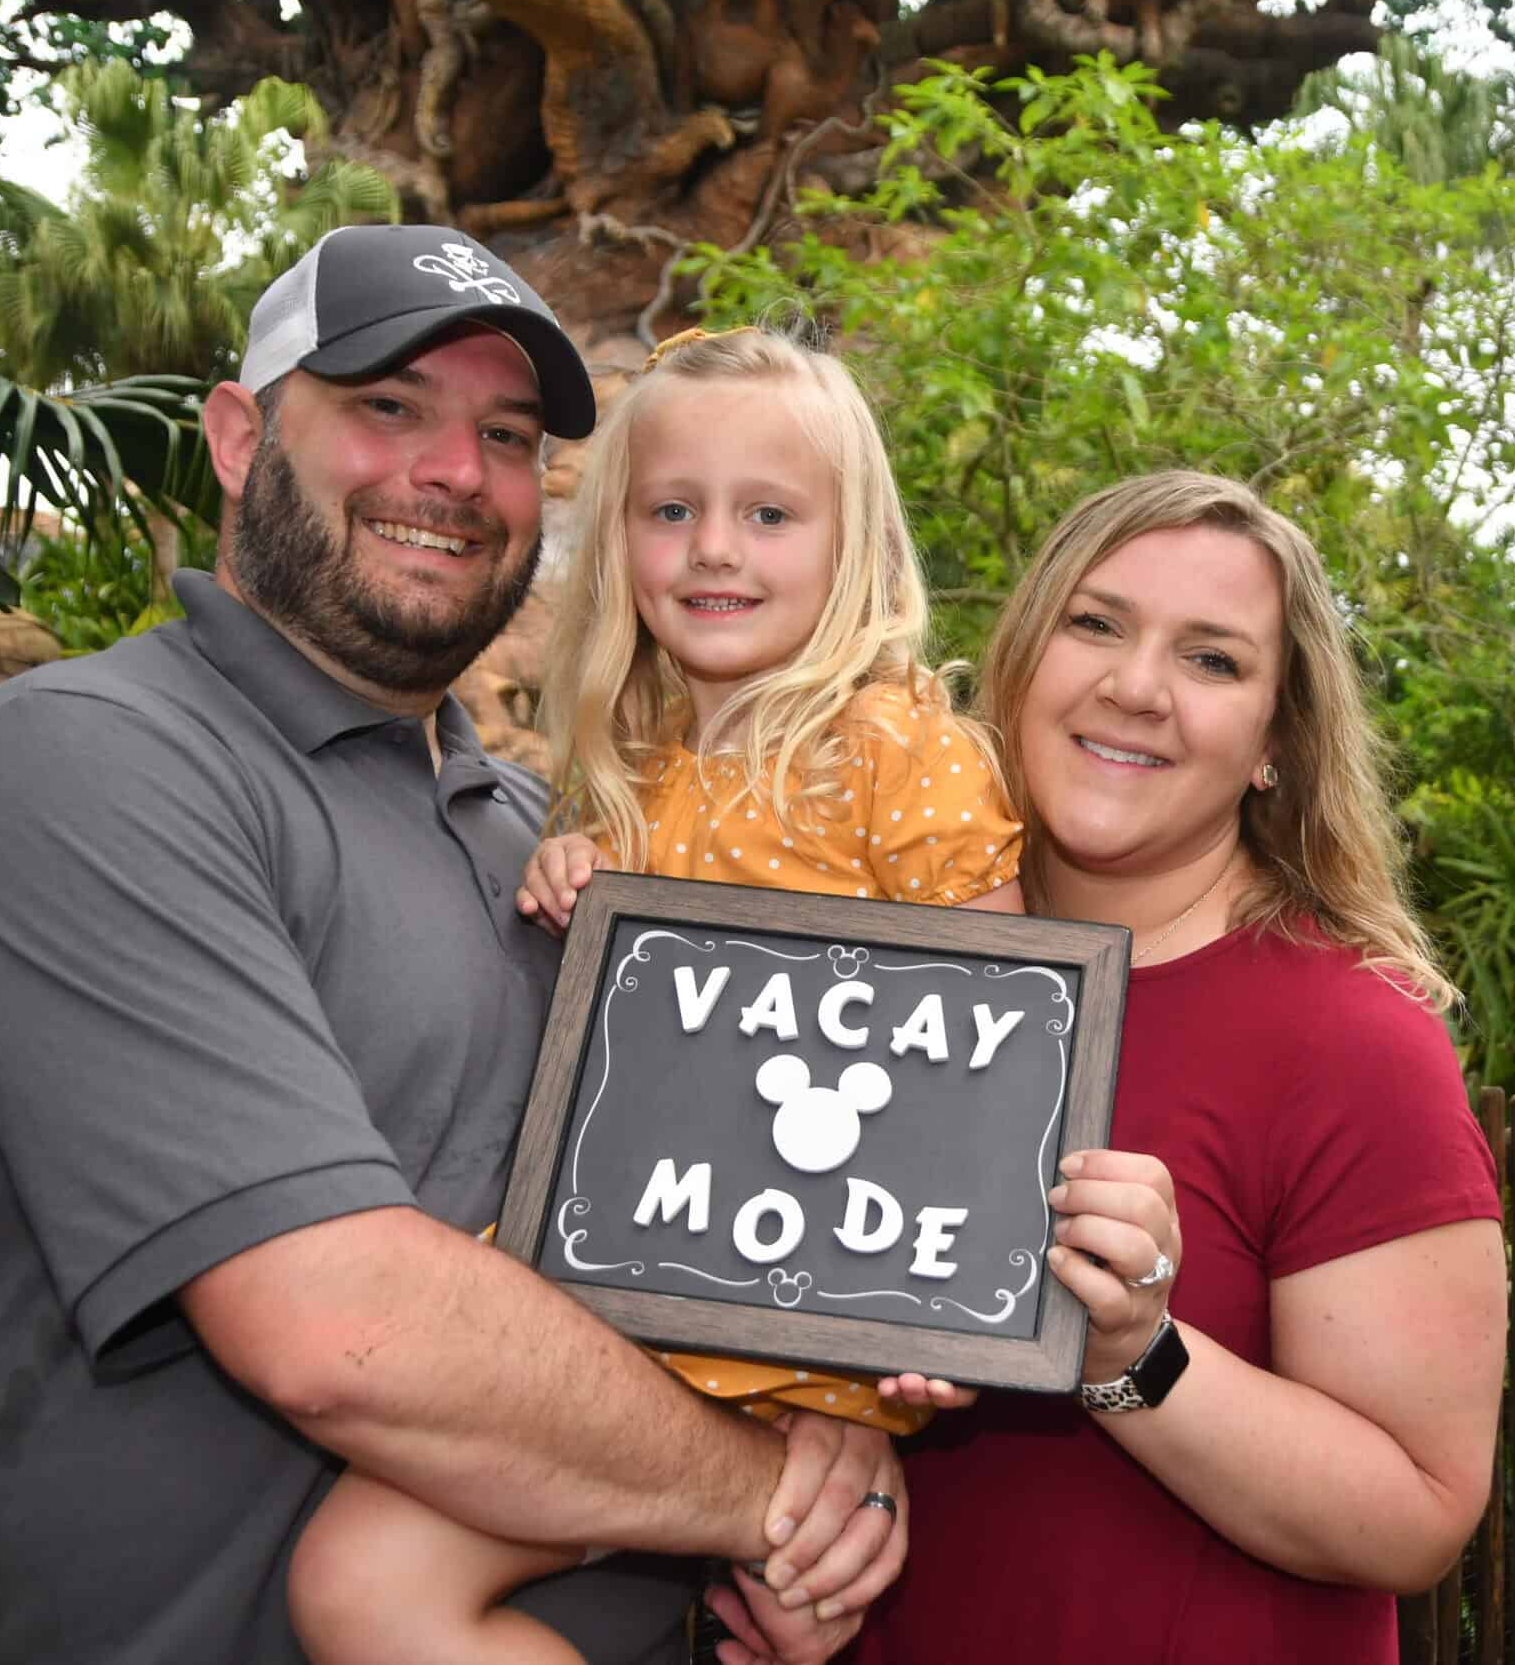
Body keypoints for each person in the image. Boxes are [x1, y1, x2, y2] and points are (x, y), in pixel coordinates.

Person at [0, 226, 907, 1665]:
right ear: (241, 438)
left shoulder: (548, 833)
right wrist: (777, 1498)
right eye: (387, 408)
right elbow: (337, 1330)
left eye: (503, 434)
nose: (453, 474)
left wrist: (825, 1440)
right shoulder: (83, 769)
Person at [286, 322, 1026, 1665]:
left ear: (851, 538)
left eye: (769, 513)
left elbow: (1002, 1046)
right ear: (618, 538)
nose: (715, 549)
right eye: (672, 510)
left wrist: (957, 1313)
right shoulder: (633, 761)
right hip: (617, 1329)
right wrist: (576, 864)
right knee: (360, 1589)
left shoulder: (894, 746)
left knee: (787, 1630)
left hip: (821, 1340)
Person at [849, 471, 1507, 1664]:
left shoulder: (1349, 1038)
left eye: (1211, 660)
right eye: (1094, 623)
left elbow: (1416, 1512)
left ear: (1273, 742)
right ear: (1019, 657)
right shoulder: (878, 973)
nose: (1135, 688)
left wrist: (1128, 1353)